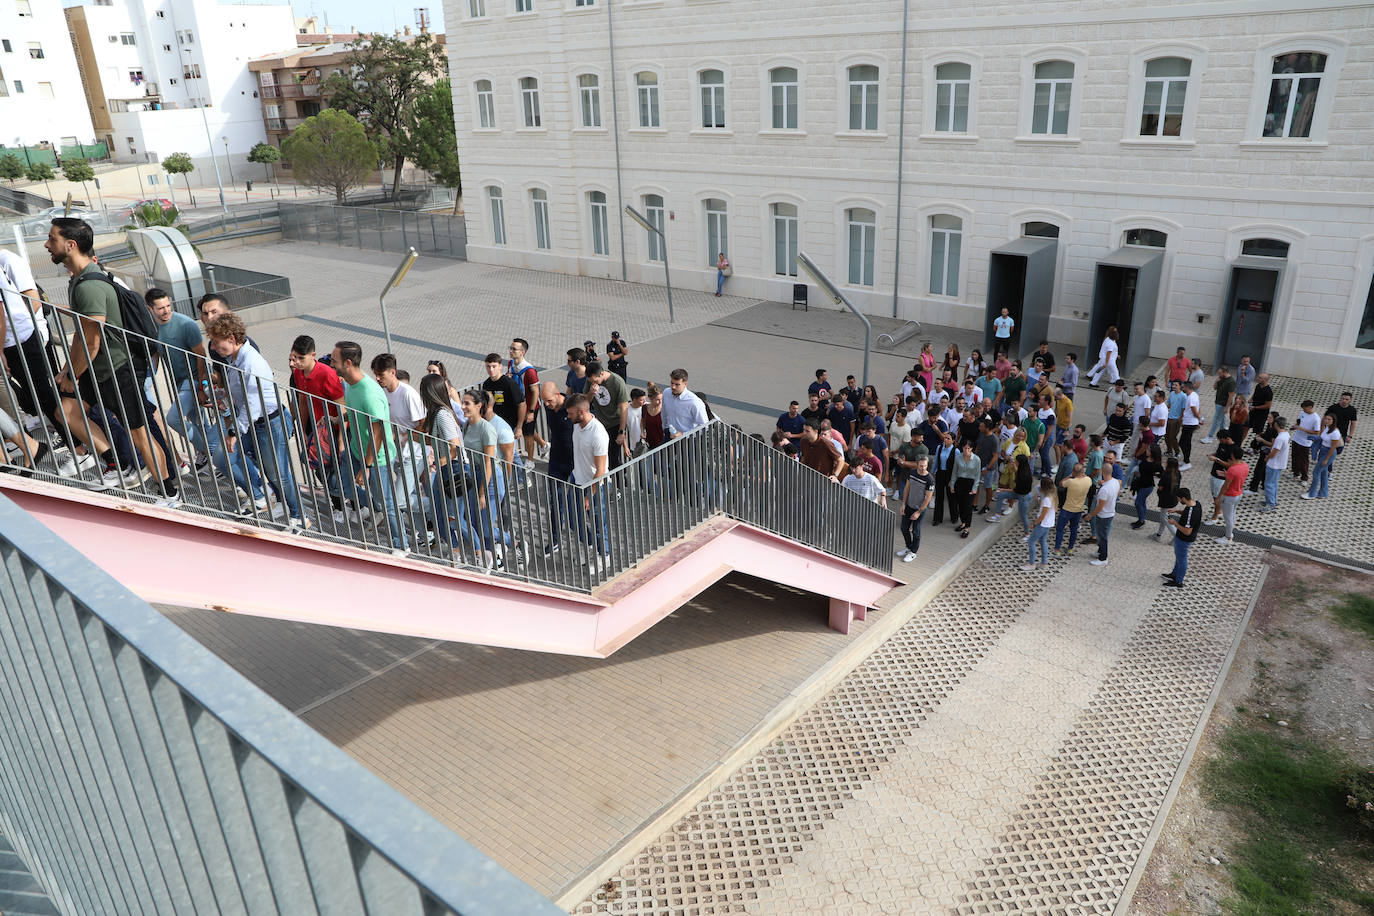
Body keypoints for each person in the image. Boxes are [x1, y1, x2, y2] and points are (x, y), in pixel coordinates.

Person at [206, 314, 305, 527]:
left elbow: (253, 405)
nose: (212, 347)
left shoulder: (251, 363)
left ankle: (299, 517)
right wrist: (223, 398)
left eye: (215, 342)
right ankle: (262, 496)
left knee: (278, 474)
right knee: (223, 457)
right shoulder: (234, 359)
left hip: (270, 423)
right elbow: (242, 395)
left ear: (231, 338)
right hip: (254, 422)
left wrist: (234, 432)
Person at [333, 341, 407, 553]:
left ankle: (402, 545)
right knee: (343, 485)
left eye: (334, 361)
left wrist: (366, 466)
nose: (332, 364)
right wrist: (338, 419)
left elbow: (378, 433)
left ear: (348, 363)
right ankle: (373, 506)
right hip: (357, 450)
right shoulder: (351, 385)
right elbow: (356, 412)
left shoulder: (370, 393)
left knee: (387, 504)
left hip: (376, 459)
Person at [288, 334, 346, 518]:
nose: (296, 362)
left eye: (301, 358)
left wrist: (341, 441)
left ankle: (353, 507)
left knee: (337, 473)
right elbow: (303, 401)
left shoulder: (327, 374)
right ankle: (340, 506)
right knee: (319, 468)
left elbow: (342, 407)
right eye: (294, 357)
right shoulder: (298, 373)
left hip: (333, 429)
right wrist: (303, 431)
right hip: (316, 430)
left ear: (313, 355)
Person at [459, 389, 512, 567]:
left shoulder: (486, 429)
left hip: (490, 478)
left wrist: (482, 493)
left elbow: (488, 463)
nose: (463, 407)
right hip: (474, 474)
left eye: (467, 403)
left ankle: (514, 543)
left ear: (479, 406)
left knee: (486, 527)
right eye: (462, 403)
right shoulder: (467, 425)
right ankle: (491, 558)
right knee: (475, 524)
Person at [418, 373, 467, 551]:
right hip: (447, 468)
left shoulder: (442, 415)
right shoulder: (437, 414)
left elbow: (455, 447)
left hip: (454, 468)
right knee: (440, 516)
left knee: (453, 518)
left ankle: (476, 552)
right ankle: (456, 551)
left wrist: (436, 463)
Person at [566, 392, 611, 569]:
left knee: (599, 524)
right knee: (573, 519)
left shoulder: (598, 434)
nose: (568, 417)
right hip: (577, 479)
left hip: (595, 486)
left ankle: (604, 557)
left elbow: (600, 471)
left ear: (581, 413)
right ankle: (592, 546)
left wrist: (589, 495)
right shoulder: (578, 425)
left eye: (571, 413)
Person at [584, 359, 631, 466]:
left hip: (615, 424)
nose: (593, 383)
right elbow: (586, 401)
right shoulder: (590, 380)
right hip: (601, 423)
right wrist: (591, 392)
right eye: (591, 381)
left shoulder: (617, 382)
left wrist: (621, 432)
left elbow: (624, 408)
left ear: (601, 373)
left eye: (595, 380)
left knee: (613, 457)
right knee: (601, 454)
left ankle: (619, 475)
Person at [507, 337, 543, 461]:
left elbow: (535, 391)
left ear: (523, 352)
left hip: (529, 406)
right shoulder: (511, 363)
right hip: (517, 404)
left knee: (528, 434)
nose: (510, 351)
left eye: (514, 349)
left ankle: (530, 460)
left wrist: (531, 411)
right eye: (510, 348)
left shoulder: (530, 371)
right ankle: (544, 445)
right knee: (524, 428)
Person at [1084, 452, 1120, 566]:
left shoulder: (1104, 489)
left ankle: (1103, 558)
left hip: (1104, 515)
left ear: (1102, 472)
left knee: (1102, 537)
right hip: (1110, 513)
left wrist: (1090, 515)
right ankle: (1100, 552)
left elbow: (1100, 506)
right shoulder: (1115, 482)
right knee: (1101, 536)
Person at [898, 455, 934, 563]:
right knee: (904, 528)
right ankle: (908, 547)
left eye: (925, 466)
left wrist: (919, 512)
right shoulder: (912, 473)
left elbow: (928, 498)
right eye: (921, 466)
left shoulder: (929, 479)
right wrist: (903, 504)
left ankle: (913, 552)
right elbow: (906, 488)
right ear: (917, 464)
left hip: (919, 509)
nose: (923, 468)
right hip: (908, 506)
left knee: (916, 531)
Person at [1161, 487, 1200, 588]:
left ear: (1183, 498)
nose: (1178, 500)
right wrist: (1176, 511)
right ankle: (1174, 574)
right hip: (1182, 538)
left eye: (1178, 498)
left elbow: (1187, 531)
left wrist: (1174, 523)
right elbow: (1186, 512)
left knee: (1182, 559)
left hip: (1184, 539)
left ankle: (1178, 582)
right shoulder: (1196, 503)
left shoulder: (1191, 512)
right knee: (1179, 557)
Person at [1301, 412, 1343, 500]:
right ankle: (1323, 492)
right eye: (1325, 419)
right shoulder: (1327, 428)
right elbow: (1322, 437)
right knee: (1323, 472)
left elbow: (1333, 448)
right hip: (1322, 450)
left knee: (1316, 472)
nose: (1326, 420)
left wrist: (1326, 459)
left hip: (1329, 453)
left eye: (1329, 419)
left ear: (1333, 421)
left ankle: (1312, 493)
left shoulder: (1335, 432)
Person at [1203, 430, 1241, 523]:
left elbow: (1230, 465)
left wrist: (1216, 460)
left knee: (1218, 498)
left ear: (1227, 438)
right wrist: (1213, 455)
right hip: (1214, 473)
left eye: (1221, 439)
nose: (1220, 441)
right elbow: (1218, 453)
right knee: (1214, 495)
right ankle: (1219, 512)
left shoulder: (1234, 449)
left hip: (1221, 477)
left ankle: (1214, 518)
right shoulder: (1222, 444)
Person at [660, 367, 708, 439]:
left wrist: (683, 435)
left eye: (677, 384)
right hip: (669, 434)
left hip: (687, 439)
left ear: (685, 384)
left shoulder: (695, 402)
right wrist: (665, 429)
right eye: (672, 383)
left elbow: (704, 426)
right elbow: (664, 413)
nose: (673, 387)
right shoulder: (666, 393)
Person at [1054, 462, 1090, 556]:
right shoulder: (1088, 480)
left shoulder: (1070, 482)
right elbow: (1085, 476)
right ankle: (1070, 548)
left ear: (1073, 471)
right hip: (1079, 510)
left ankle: (1057, 550)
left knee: (1060, 529)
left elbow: (1061, 483)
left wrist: (1070, 476)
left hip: (1067, 509)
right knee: (1074, 529)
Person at [1022, 478, 1057, 572]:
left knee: (1031, 541)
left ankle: (1031, 564)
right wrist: (1038, 500)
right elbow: (1045, 508)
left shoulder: (1046, 499)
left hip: (1042, 524)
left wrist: (1034, 524)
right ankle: (1044, 563)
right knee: (1043, 541)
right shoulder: (1052, 495)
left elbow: (1042, 515)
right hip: (1048, 523)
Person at [1215, 453, 1248, 544]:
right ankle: (1230, 533)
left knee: (1228, 518)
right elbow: (1238, 478)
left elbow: (1226, 485)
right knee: (1232, 515)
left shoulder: (1232, 469)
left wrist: (1219, 497)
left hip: (1229, 496)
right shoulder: (1245, 465)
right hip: (1239, 494)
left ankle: (1228, 537)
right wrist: (1227, 475)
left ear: (1232, 456)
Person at [950, 439, 980, 538]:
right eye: (964, 448)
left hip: (970, 483)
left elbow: (977, 475)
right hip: (960, 482)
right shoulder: (958, 458)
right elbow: (954, 472)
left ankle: (967, 528)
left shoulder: (976, 459)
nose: (966, 450)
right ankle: (963, 523)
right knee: (961, 505)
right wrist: (952, 484)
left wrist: (975, 488)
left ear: (971, 449)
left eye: (968, 448)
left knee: (968, 506)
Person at [1129, 444, 1163, 530]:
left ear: (1152, 453)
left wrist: (1155, 475)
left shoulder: (1155, 464)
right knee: (1142, 502)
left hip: (1147, 486)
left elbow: (1162, 473)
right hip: (1140, 484)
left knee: (1138, 503)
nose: (1146, 451)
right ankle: (1141, 519)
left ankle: (1141, 521)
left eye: (1148, 450)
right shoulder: (1145, 459)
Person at [1260, 416, 1290, 512]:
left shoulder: (1280, 438)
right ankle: (1273, 500)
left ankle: (1270, 504)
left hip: (1274, 464)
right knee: (1274, 483)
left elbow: (1275, 451)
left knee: (1269, 484)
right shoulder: (1286, 434)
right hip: (1280, 463)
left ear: (1276, 424)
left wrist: (1267, 457)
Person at [1201, 365, 1235, 443]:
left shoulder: (1231, 382)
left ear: (1225, 372)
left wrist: (1226, 408)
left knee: (1216, 420)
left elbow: (1231, 396)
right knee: (1222, 421)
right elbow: (1214, 388)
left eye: (1220, 373)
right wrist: (1216, 381)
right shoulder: (1221, 378)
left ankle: (1210, 436)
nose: (1219, 375)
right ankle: (1223, 435)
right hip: (1218, 402)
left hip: (1223, 404)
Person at [1289, 400, 1320, 483]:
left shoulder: (1316, 418)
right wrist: (1295, 426)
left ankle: (1304, 478)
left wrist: (1302, 429)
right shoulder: (1302, 413)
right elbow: (1298, 422)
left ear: (1310, 407)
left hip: (1305, 442)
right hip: (1296, 438)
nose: (1304, 410)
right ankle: (1295, 472)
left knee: (1304, 460)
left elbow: (1316, 432)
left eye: (1305, 409)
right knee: (1295, 457)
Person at [1179, 379, 1202, 469]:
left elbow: (1194, 410)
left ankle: (1187, 462)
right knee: (1186, 442)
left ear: (1187, 387)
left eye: (1183, 387)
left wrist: (1199, 417)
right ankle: (1185, 460)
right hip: (1189, 422)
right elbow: (1198, 408)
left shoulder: (1191, 397)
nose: (1182, 389)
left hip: (1190, 423)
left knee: (1183, 443)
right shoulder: (1193, 395)